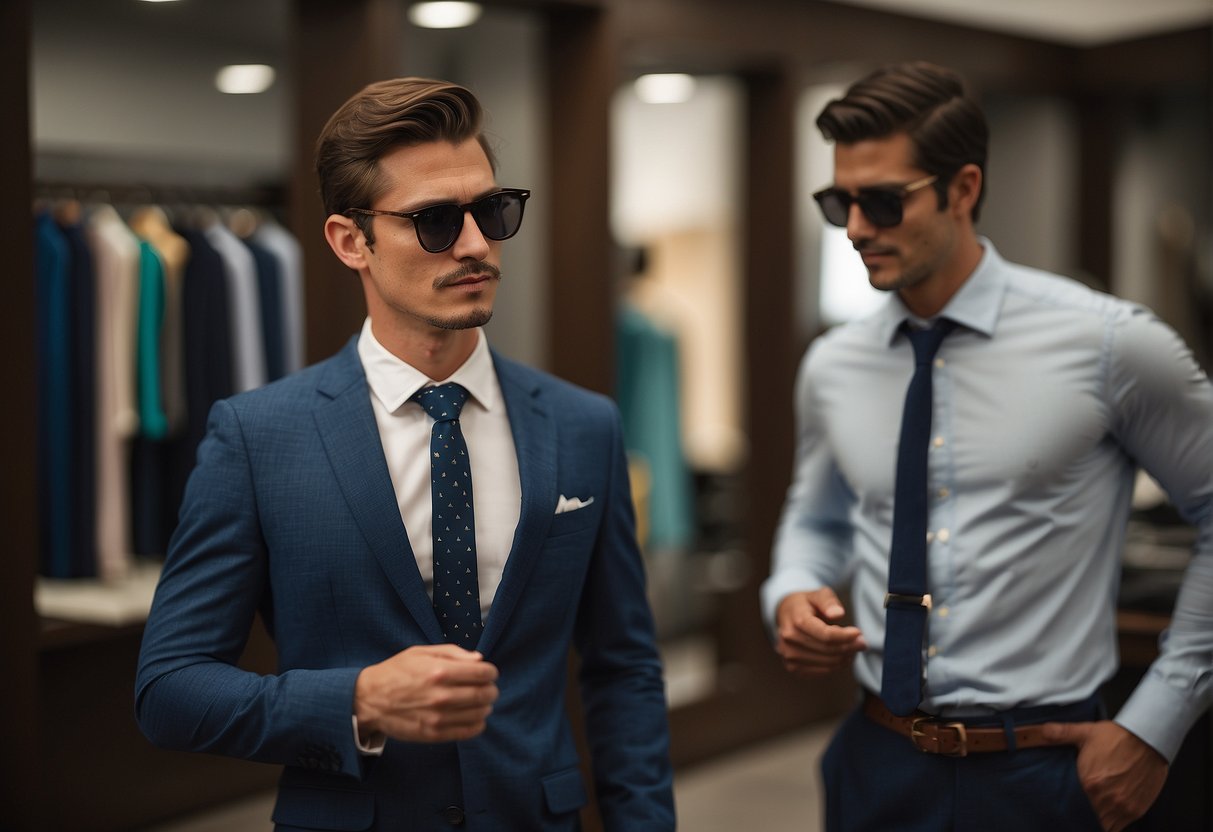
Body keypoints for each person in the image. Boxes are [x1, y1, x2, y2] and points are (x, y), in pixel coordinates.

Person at [136, 77, 675, 831]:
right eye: (433, 222)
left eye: (491, 211)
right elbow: (169, 690)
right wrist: (356, 701)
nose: (476, 244)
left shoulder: (584, 425)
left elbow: (623, 671)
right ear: (349, 241)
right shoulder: (258, 438)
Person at [762, 61, 1213, 832]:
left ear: (962, 189)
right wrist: (791, 590)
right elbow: (816, 515)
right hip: (871, 760)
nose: (856, 229)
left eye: (881, 201)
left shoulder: (1109, 344)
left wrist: (1155, 724)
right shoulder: (832, 363)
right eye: (839, 202)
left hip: (1040, 772)